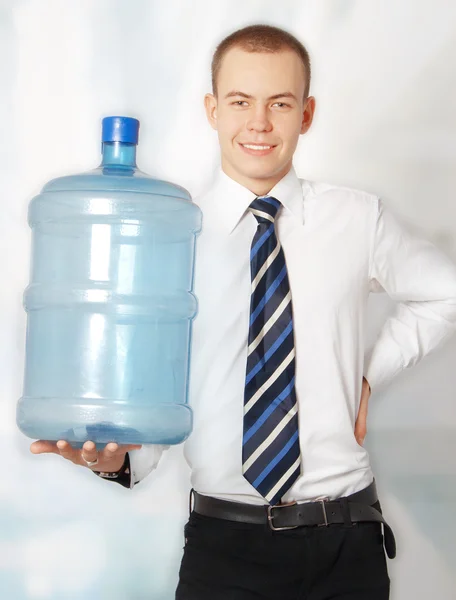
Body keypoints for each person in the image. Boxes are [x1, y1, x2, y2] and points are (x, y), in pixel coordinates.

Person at [30, 24, 456, 600]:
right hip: (223, 550)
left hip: (344, 543)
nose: (259, 123)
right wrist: (114, 456)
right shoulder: (171, 234)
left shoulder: (358, 219)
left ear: (306, 114)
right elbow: (156, 381)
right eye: (240, 102)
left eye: (279, 104)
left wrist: (369, 375)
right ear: (212, 109)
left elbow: (444, 291)